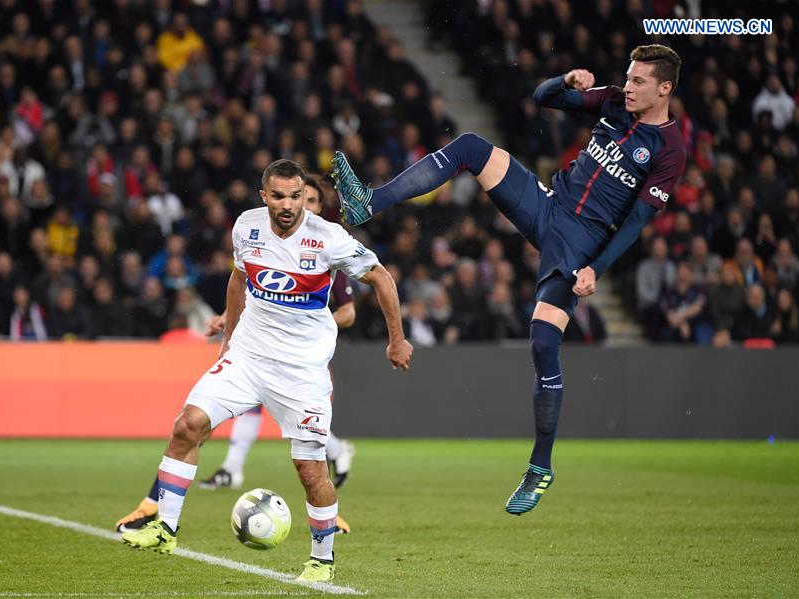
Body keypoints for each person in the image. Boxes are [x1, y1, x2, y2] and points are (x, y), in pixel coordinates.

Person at [331, 45, 686, 515]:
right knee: (471, 147)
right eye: (629, 76)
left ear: (664, 88)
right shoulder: (614, 100)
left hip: (579, 245)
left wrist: (594, 268)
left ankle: (540, 467)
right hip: (548, 205)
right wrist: (566, 81)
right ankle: (368, 203)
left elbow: (638, 220)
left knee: (543, 342)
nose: (630, 86)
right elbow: (543, 97)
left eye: (640, 80)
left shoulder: (670, 149)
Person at [121, 160, 412, 583]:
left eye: (295, 196)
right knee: (187, 425)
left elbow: (382, 278)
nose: (288, 205)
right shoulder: (246, 227)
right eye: (278, 196)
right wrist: (228, 339)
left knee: (310, 470)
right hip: (248, 357)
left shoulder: (328, 238)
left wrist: (396, 340)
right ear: (264, 196)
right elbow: (238, 279)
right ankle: (165, 528)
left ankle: (322, 560)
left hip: (301, 370)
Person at [116, 176, 358, 535]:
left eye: (310, 201)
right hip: (254, 351)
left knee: (306, 444)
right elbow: (250, 285)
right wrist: (228, 318)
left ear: (320, 209)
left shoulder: (327, 248)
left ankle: (327, 508)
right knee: (197, 423)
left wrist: (308, 326)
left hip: (300, 359)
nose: (299, 207)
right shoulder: (267, 239)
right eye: (296, 198)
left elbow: (348, 311)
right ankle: (160, 502)